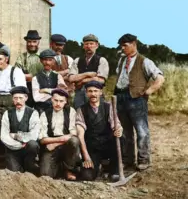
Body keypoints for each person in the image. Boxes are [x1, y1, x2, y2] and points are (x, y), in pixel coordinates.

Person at [114, 34, 164, 171]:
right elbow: (120, 77)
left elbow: (159, 78)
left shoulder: (145, 61)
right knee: (124, 132)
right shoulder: (121, 60)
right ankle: (128, 161)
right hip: (121, 98)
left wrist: (148, 91)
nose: (123, 48)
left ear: (134, 44)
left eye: (125, 45)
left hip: (137, 100)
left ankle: (144, 160)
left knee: (142, 131)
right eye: (121, 46)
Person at [76, 81, 123, 181]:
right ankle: (99, 167)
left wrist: (118, 129)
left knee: (120, 137)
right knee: (87, 176)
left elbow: (116, 124)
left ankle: (113, 170)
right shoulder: (81, 110)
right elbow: (80, 136)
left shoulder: (108, 107)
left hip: (107, 145)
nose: (93, 94)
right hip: (93, 147)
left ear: (101, 92)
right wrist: (86, 157)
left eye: (96, 91)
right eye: (90, 91)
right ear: (86, 93)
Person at [39, 89, 79, 180]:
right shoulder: (45, 114)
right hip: (50, 147)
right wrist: (59, 140)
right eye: (56, 100)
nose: (58, 104)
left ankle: (68, 169)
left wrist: (55, 143)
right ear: (51, 100)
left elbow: (73, 134)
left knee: (74, 141)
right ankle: (58, 168)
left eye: (61, 101)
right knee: (45, 175)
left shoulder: (70, 111)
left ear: (65, 102)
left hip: (66, 145)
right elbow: (42, 139)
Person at [0, 86, 40, 173]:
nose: (18, 101)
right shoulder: (7, 113)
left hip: (27, 149)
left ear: (26, 98)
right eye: (15, 98)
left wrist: (16, 135)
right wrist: (18, 145)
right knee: (14, 173)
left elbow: (34, 135)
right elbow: (4, 135)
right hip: (12, 150)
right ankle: (18, 166)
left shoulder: (33, 113)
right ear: (12, 99)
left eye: (21, 98)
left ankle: (30, 164)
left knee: (33, 144)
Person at [68, 34, 109, 109]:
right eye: (86, 44)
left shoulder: (102, 60)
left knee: (96, 116)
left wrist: (82, 81)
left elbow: (101, 80)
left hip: (95, 93)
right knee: (79, 115)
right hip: (79, 94)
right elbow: (71, 78)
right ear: (83, 46)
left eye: (91, 44)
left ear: (96, 45)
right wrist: (88, 74)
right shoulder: (77, 60)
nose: (89, 46)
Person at [15, 30, 44, 107]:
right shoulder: (21, 57)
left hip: (41, 90)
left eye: (34, 41)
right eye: (29, 42)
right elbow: (16, 75)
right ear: (26, 42)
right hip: (26, 90)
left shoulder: (43, 57)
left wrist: (28, 76)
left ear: (38, 42)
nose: (32, 44)